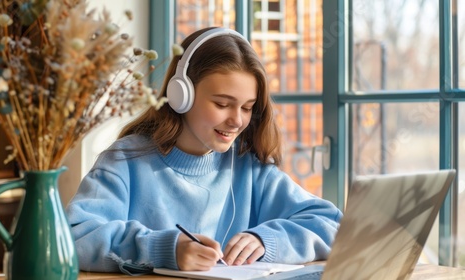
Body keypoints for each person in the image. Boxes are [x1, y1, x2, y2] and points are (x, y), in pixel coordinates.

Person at [66, 27, 343, 275]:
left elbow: (334, 224)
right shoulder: (125, 160)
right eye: (223, 104)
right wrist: (164, 249)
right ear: (181, 95)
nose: (237, 120)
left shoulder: (249, 167)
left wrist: (267, 241)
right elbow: (74, 236)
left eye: (247, 108)